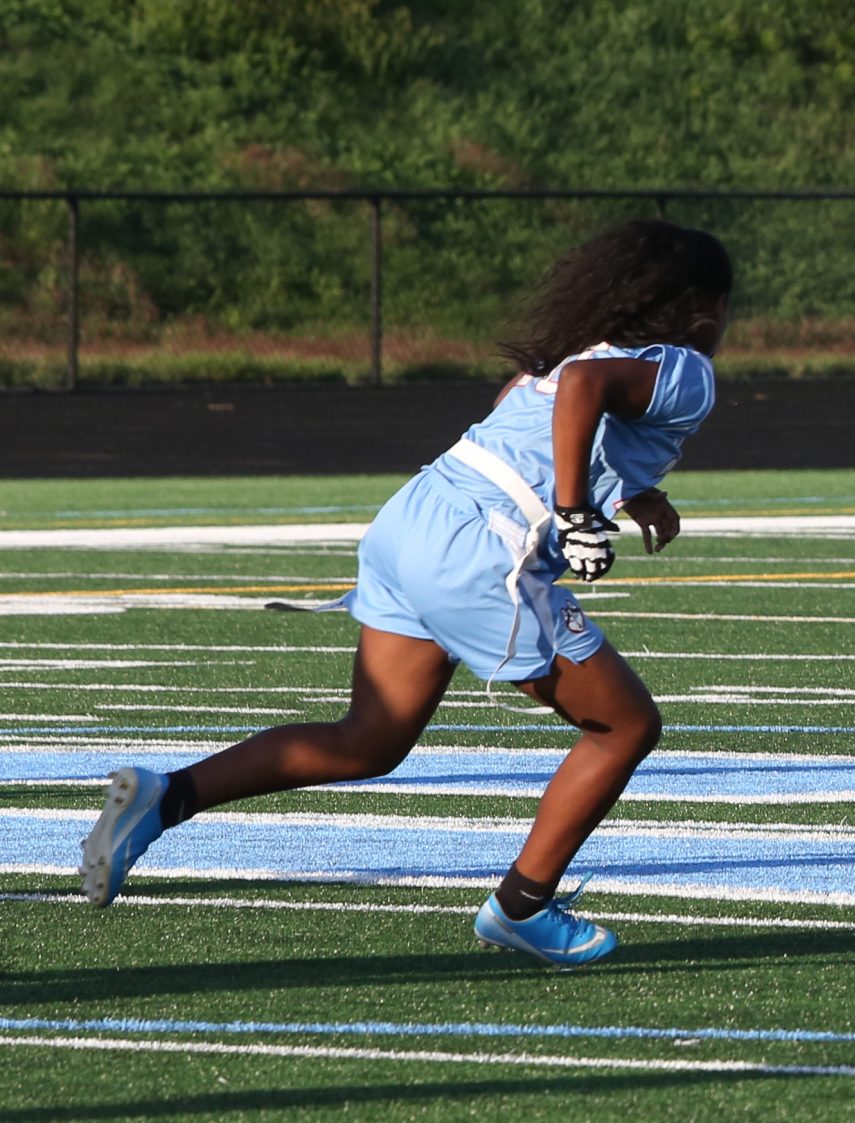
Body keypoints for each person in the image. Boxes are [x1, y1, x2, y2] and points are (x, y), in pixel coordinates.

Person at [79, 217, 734, 966]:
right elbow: (587, 394)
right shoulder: (686, 369)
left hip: (416, 515)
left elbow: (537, 408)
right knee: (626, 726)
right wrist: (578, 510)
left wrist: (628, 489)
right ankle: (523, 906)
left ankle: (167, 797)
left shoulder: (572, 352)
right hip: (479, 549)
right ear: (702, 310)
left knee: (369, 738)